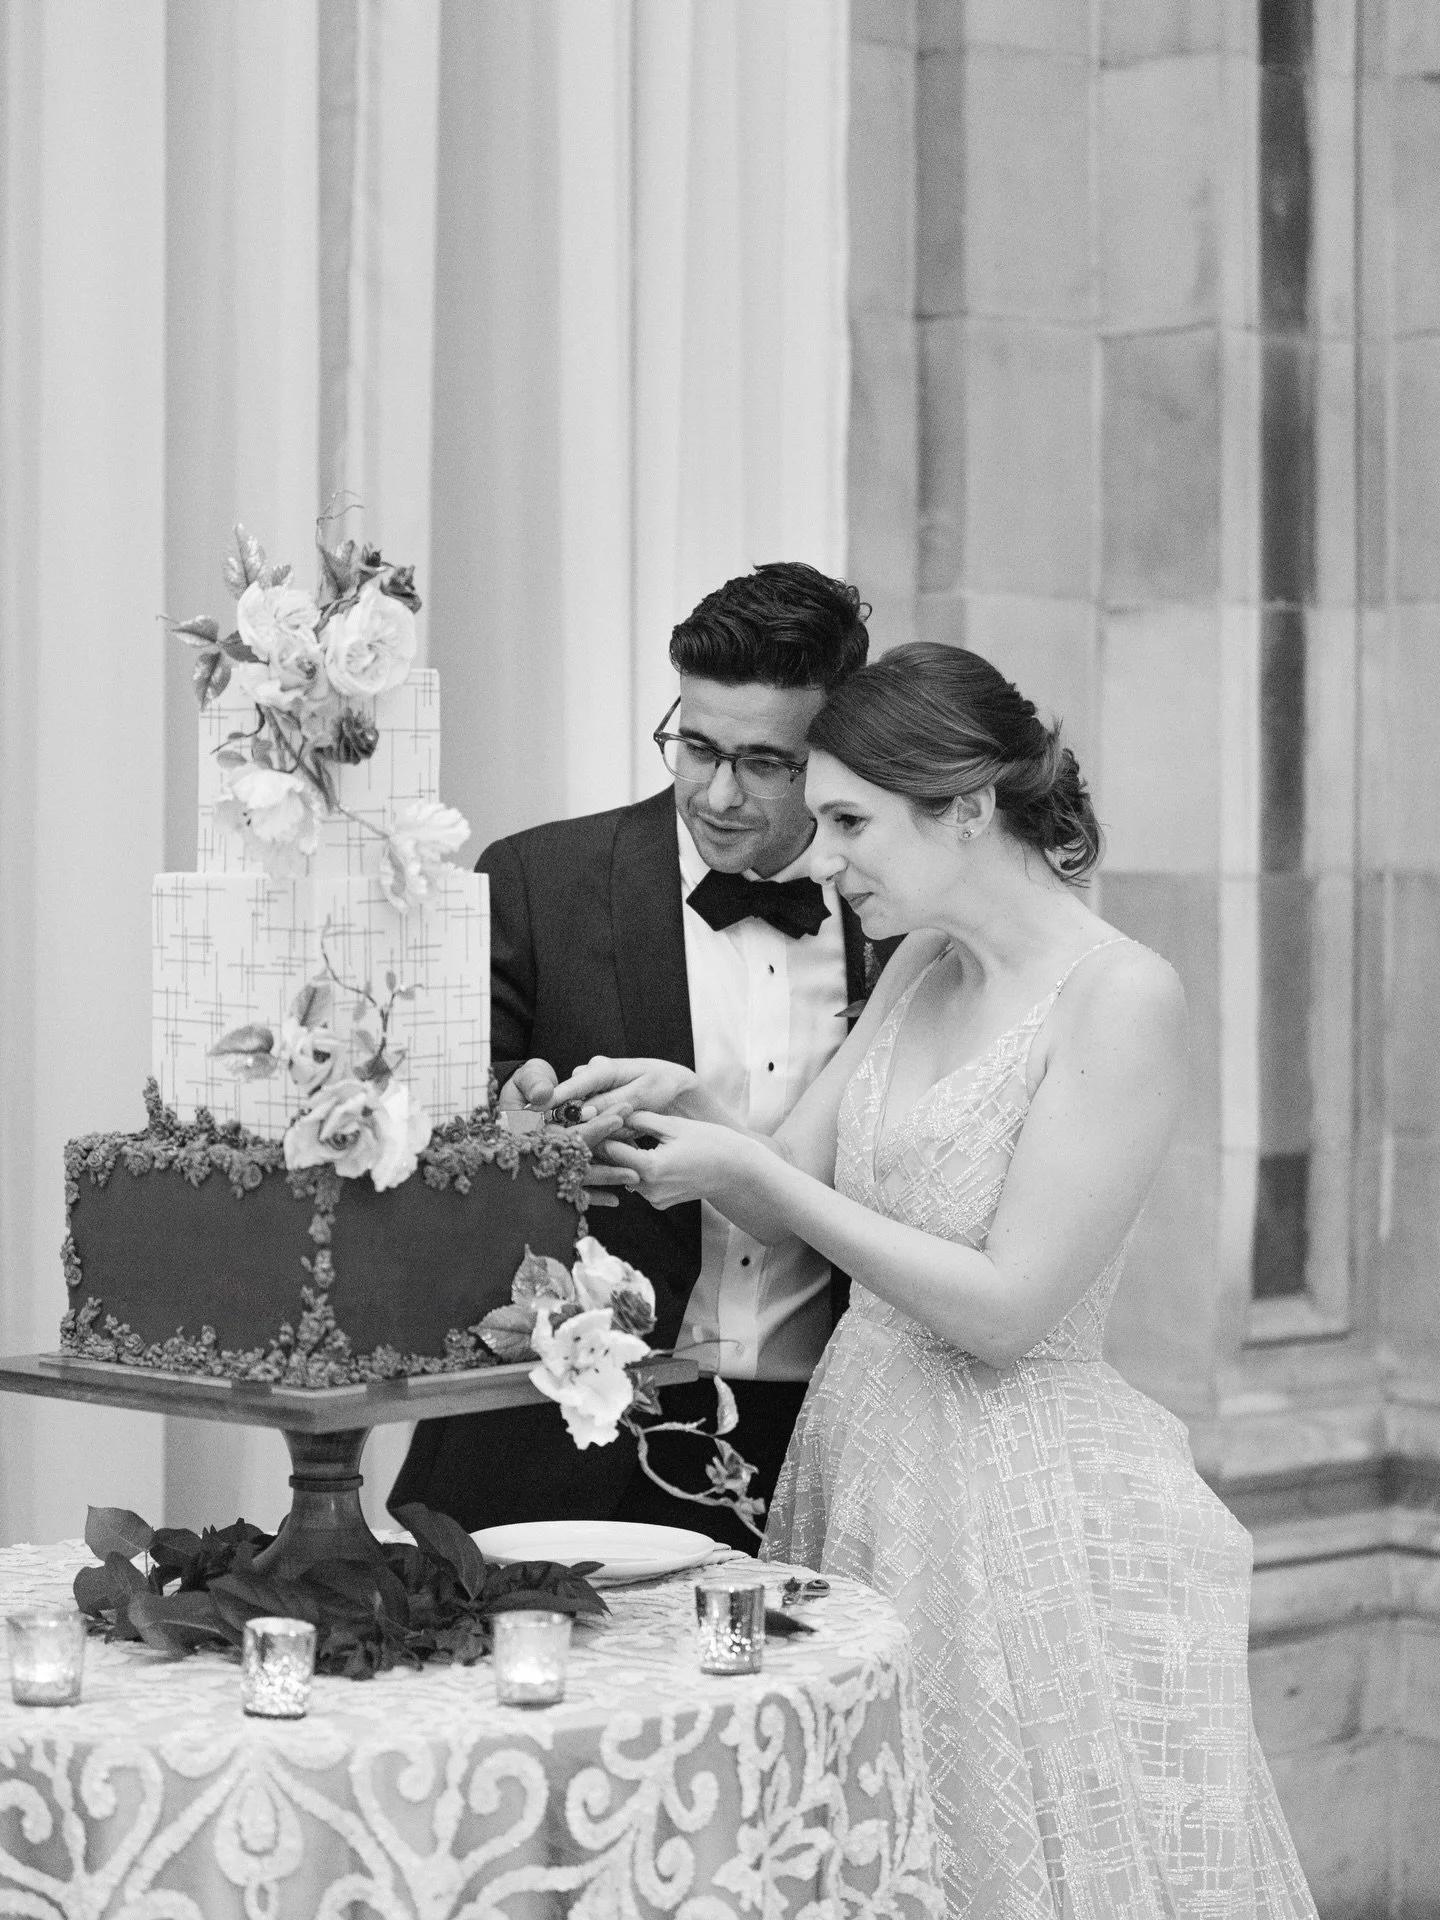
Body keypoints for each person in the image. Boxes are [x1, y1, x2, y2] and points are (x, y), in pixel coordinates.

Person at [551, 642, 1318, 1915]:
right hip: (865, 1459)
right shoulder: (920, 963)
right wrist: (688, 1107)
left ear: (964, 807)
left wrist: (765, 1175)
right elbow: (792, 1169)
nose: (823, 853)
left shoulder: (1122, 995)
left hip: (1015, 1497)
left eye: (850, 820)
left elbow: (1009, 1308)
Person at [389, 561, 896, 1549]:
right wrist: (513, 1117)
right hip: (550, 1439)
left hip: (823, 1445)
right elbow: (431, 1136)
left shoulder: (900, 922)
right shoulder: (540, 878)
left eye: (764, 762)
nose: (716, 791)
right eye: (694, 745)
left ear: (835, 757)